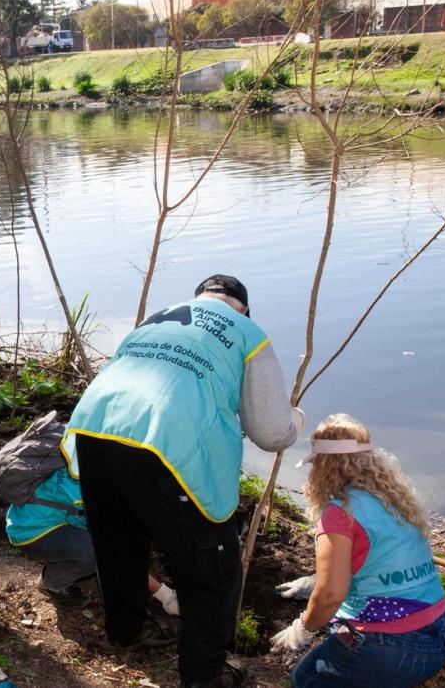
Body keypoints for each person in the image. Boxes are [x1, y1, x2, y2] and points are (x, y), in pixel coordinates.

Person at [60, 275, 304, 686]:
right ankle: (204, 675)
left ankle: (126, 631)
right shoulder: (248, 333)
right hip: (165, 443)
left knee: (120, 543)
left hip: (95, 430)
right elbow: (271, 432)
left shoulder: (153, 322)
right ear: (242, 308)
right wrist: (295, 418)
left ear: (200, 299)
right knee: (214, 568)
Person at [269, 414, 445, 687]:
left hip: (394, 647)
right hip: (442, 633)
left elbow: (332, 595)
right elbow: (379, 561)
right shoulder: (395, 501)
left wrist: (304, 628)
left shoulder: (338, 513)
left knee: (307, 678)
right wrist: (312, 582)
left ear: (323, 465)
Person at [7, 454, 182, 615]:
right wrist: (163, 594)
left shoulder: (89, 460)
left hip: (26, 514)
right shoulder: (96, 496)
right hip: (29, 531)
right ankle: (51, 583)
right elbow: (115, 555)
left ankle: (64, 556)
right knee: (95, 554)